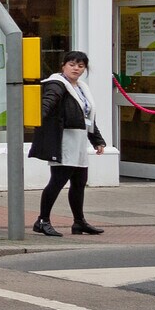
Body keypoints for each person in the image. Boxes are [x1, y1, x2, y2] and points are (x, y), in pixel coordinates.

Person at [31, 51, 107, 237]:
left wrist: (97, 140)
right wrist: (37, 117)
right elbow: (48, 102)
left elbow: (87, 116)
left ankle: (79, 222)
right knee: (57, 182)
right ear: (63, 65)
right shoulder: (57, 84)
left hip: (79, 140)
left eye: (81, 66)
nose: (76, 69)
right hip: (64, 140)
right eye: (72, 64)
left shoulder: (81, 87)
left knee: (79, 183)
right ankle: (42, 220)